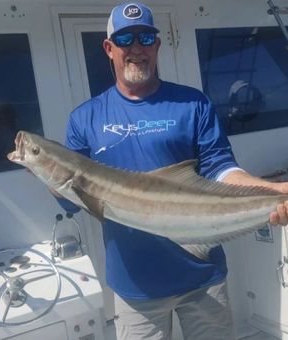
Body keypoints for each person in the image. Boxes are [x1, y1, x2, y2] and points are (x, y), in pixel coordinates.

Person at [56, 2, 288, 339]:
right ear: (109, 48)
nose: (136, 49)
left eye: (146, 39)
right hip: (135, 286)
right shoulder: (85, 119)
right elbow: (70, 201)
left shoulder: (192, 104)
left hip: (203, 277)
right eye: (125, 40)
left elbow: (219, 168)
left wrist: (276, 193)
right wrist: (48, 177)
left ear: (158, 45)